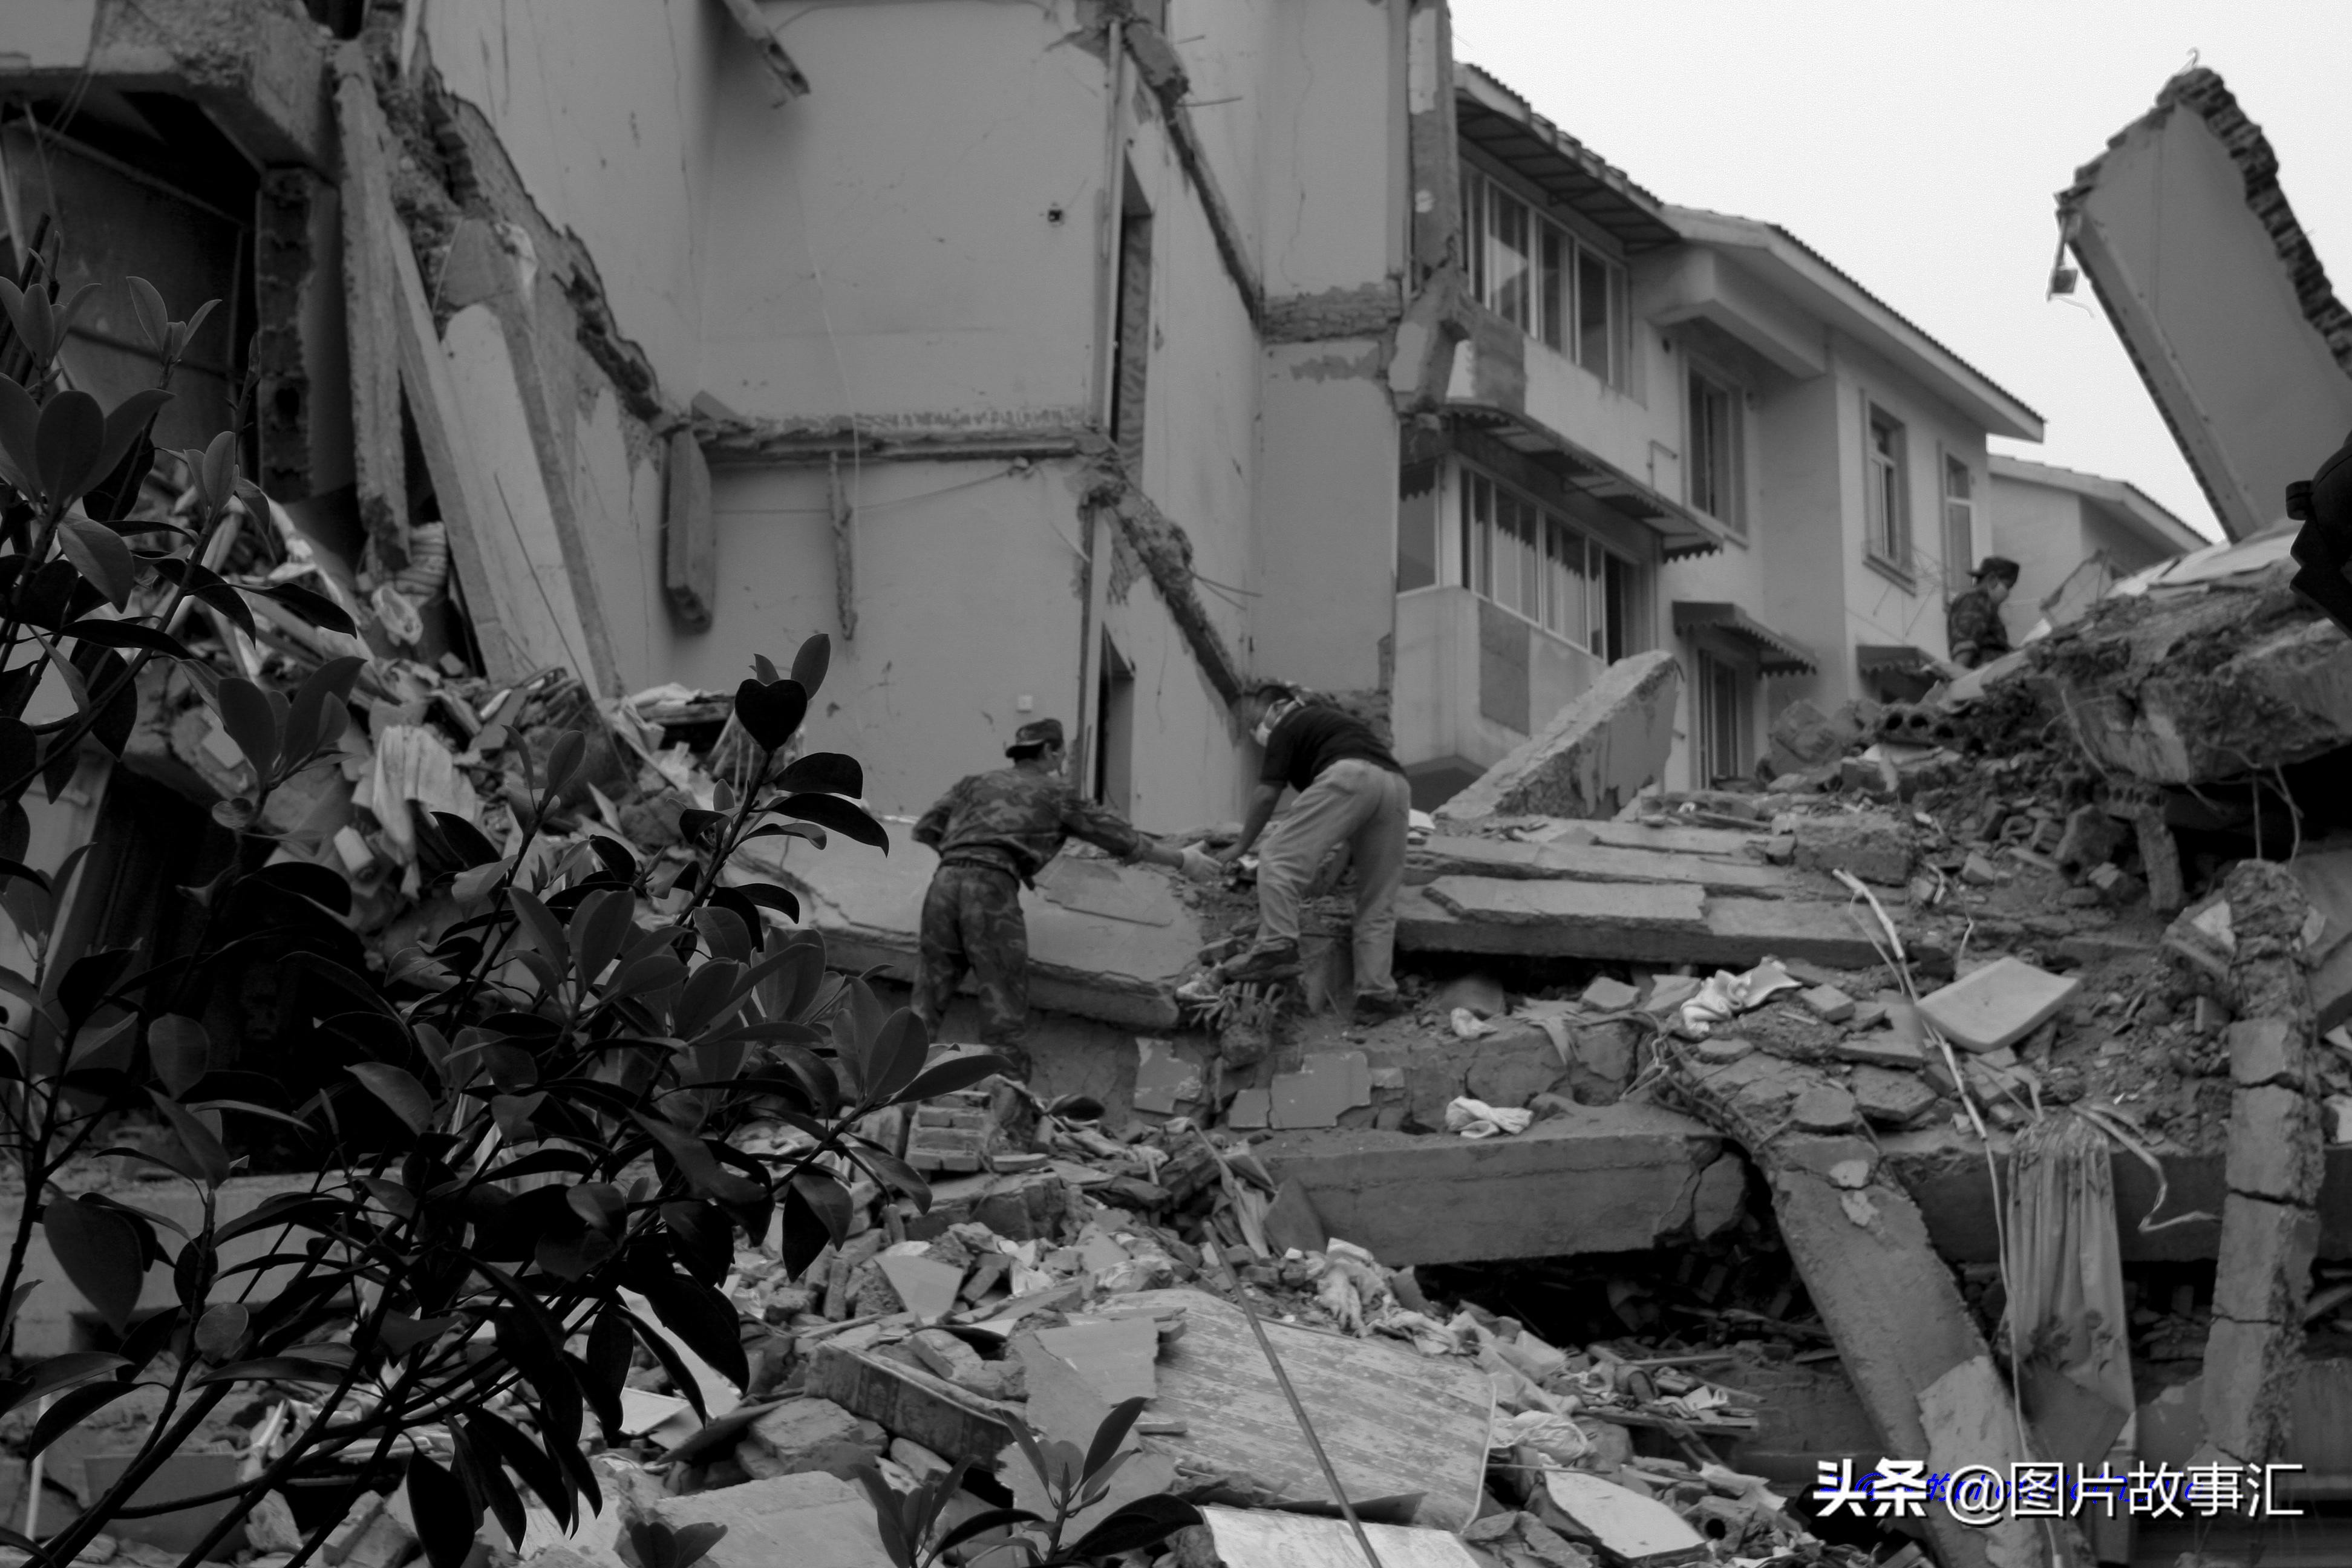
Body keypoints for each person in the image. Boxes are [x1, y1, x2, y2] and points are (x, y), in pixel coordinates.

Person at [912, 718, 1217, 1076]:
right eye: (1060, 754)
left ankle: (891, 1086)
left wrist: (964, 859)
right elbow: (1124, 841)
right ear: (1048, 751)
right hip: (991, 888)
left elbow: (926, 829)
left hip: (944, 883)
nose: (1062, 761)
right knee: (1002, 991)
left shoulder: (974, 784)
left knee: (929, 992)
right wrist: (1184, 859)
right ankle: (1005, 1091)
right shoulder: (1057, 794)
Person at [1215, 684, 1412, 1024]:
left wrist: (1241, 846)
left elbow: (1266, 795)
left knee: (1277, 857)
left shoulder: (1289, 724)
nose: (1256, 730)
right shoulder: (1330, 724)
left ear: (1278, 706)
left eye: (1257, 719)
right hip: (1396, 787)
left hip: (1350, 776)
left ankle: (1277, 945)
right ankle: (1376, 995)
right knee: (1378, 898)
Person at [1946, 555, 2020, 670]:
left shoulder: (1984, 603)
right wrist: (1958, 672)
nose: (2008, 593)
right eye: (2008, 586)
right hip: (1980, 674)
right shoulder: (1975, 599)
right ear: (1992, 579)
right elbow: (1966, 643)